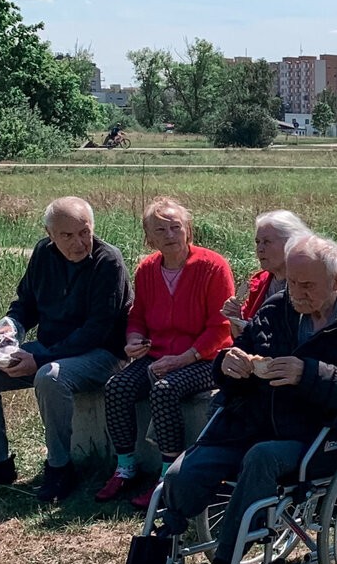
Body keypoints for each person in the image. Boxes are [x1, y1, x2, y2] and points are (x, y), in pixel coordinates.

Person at [153, 234, 337, 564]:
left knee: (263, 458)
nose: (298, 294)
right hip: (256, 425)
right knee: (183, 473)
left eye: (308, 286)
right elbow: (240, 355)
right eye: (292, 283)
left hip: (324, 438)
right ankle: (165, 546)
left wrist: (311, 374)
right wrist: (228, 364)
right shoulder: (277, 309)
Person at [0, 197, 132, 502]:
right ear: (50, 234)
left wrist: (38, 359)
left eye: (84, 232)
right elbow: (26, 304)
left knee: (50, 376)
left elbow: (96, 331)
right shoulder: (43, 253)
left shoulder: (108, 262)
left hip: (104, 354)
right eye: (67, 235)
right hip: (51, 348)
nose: (79, 243)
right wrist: (8, 329)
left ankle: (60, 468)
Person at [96, 198, 234, 507]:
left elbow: (221, 326)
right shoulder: (147, 269)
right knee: (117, 387)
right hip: (158, 354)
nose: (170, 235)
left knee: (164, 390)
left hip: (206, 358)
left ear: (188, 230)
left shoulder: (213, 266)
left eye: (176, 227)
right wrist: (134, 339)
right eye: (160, 230)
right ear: (149, 237)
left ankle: (167, 476)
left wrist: (184, 358)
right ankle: (125, 467)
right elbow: (138, 316)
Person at [221, 210, 310, 338]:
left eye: (267, 241)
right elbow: (242, 339)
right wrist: (235, 318)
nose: (260, 249)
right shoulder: (259, 282)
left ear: (291, 242)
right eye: (257, 242)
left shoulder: (308, 283)